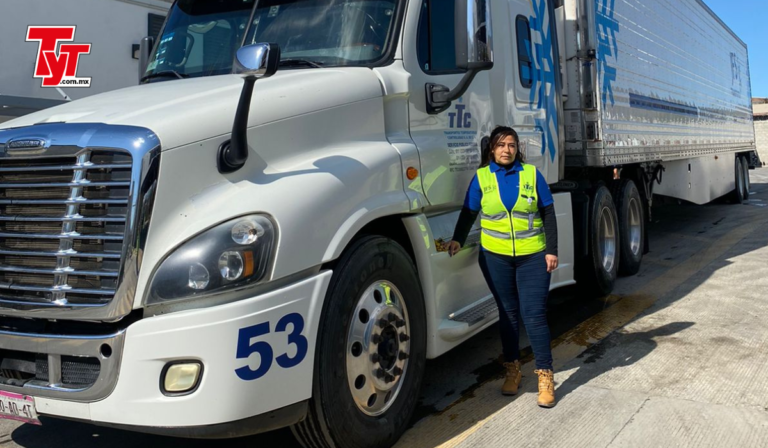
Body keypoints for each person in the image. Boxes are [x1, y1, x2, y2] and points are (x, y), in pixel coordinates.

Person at [448, 126, 559, 408]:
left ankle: (545, 377)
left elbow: (547, 211)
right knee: (508, 315)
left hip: (533, 255)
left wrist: (551, 251)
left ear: (517, 148)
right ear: (491, 149)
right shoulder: (482, 177)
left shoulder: (531, 174)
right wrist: (458, 240)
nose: (506, 150)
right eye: (500, 145)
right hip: (495, 257)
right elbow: (469, 211)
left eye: (511, 145)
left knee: (533, 315)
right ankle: (512, 370)